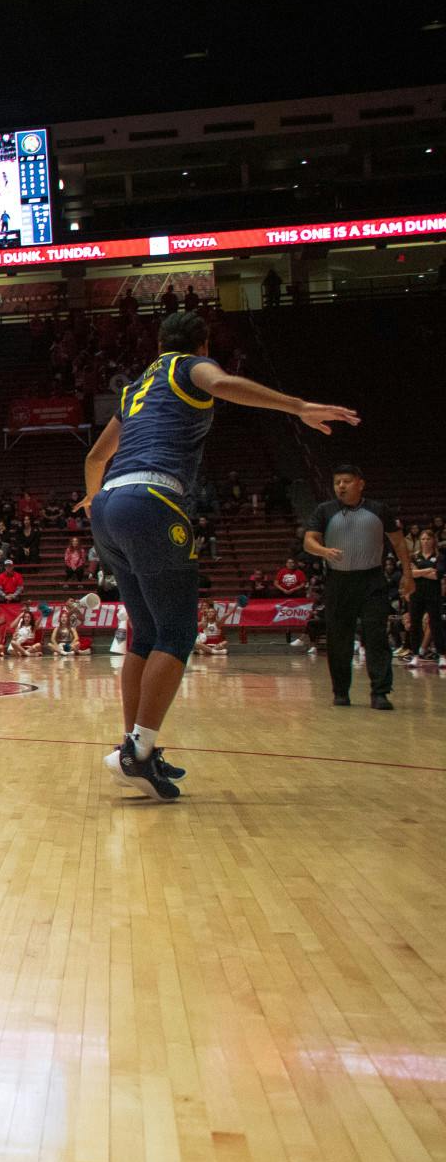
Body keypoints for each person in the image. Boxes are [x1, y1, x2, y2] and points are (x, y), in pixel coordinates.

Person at [82, 309, 357, 799]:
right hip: (151, 498)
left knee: (144, 633)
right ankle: (137, 751)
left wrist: (90, 499)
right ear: (201, 344)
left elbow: (95, 457)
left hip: (107, 506)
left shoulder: (134, 389)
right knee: (177, 631)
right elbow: (225, 383)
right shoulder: (188, 367)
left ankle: (135, 746)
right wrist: (298, 406)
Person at [303, 465, 414, 709]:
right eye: (337, 482)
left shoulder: (378, 510)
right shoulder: (325, 510)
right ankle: (341, 691)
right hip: (338, 582)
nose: (340, 486)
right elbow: (309, 541)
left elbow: (398, 542)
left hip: (372, 581)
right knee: (339, 639)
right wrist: (323, 551)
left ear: (360, 483)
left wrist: (408, 573)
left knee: (376, 636)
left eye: (346, 481)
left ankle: (380, 692)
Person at [403, 529, 440, 661]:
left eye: (428, 539)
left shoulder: (440, 557)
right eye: (423, 539)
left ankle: (442, 654)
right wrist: (427, 570)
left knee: (436, 624)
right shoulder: (414, 556)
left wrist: (419, 572)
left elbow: (437, 575)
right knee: (415, 624)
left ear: (433, 540)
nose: (425, 542)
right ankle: (416, 655)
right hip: (416, 594)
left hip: (433, 594)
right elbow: (410, 573)